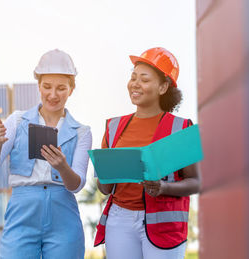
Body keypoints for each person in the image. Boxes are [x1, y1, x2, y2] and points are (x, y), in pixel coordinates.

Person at [93, 47, 200, 259]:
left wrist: (164, 187)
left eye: (144, 79)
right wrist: (106, 173)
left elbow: (197, 182)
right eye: (133, 77)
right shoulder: (113, 127)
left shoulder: (180, 128)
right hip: (120, 221)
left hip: (164, 224)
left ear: (163, 87)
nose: (135, 84)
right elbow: (104, 188)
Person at [0, 49, 91, 259]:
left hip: (63, 214)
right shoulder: (17, 121)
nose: (53, 95)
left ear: (72, 88)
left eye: (61, 88)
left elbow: (77, 185)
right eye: (47, 87)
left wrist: (62, 167)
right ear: (38, 86)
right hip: (22, 210)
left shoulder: (82, 132)